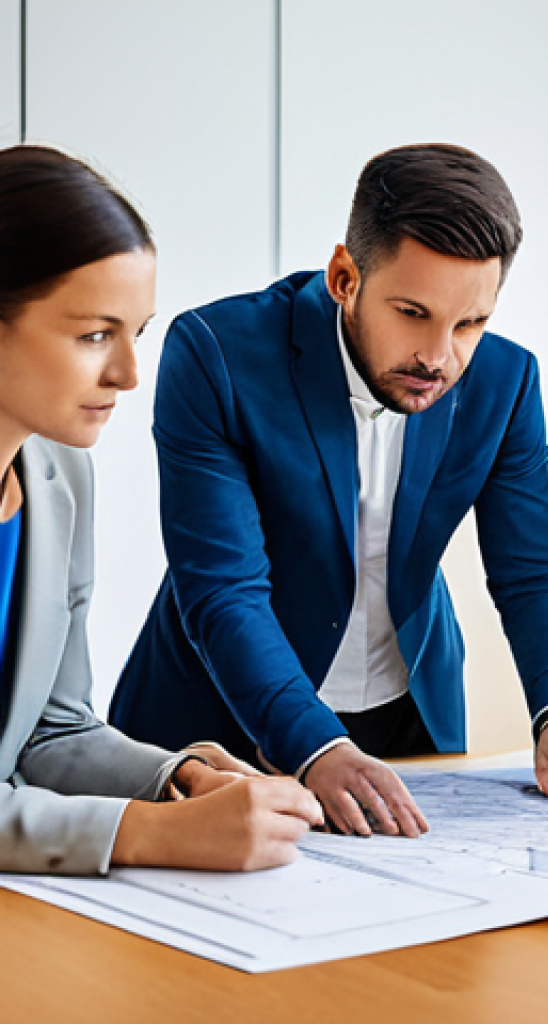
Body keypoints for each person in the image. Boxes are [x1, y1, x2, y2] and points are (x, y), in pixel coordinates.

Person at [110, 143, 548, 835]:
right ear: (345, 276)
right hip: (219, 729)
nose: (440, 355)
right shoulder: (217, 353)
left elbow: (536, 573)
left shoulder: (506, 382)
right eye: (413, 313)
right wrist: (317, 747)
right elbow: (223, 588)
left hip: (410, 724)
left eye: (470, 323)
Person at [0, 145, 322, 874]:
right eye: (93, 335)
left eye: (135, 334)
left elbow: (52, 731)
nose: (128, 374)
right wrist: (148, 834)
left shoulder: (61, 477)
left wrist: (179, 780)